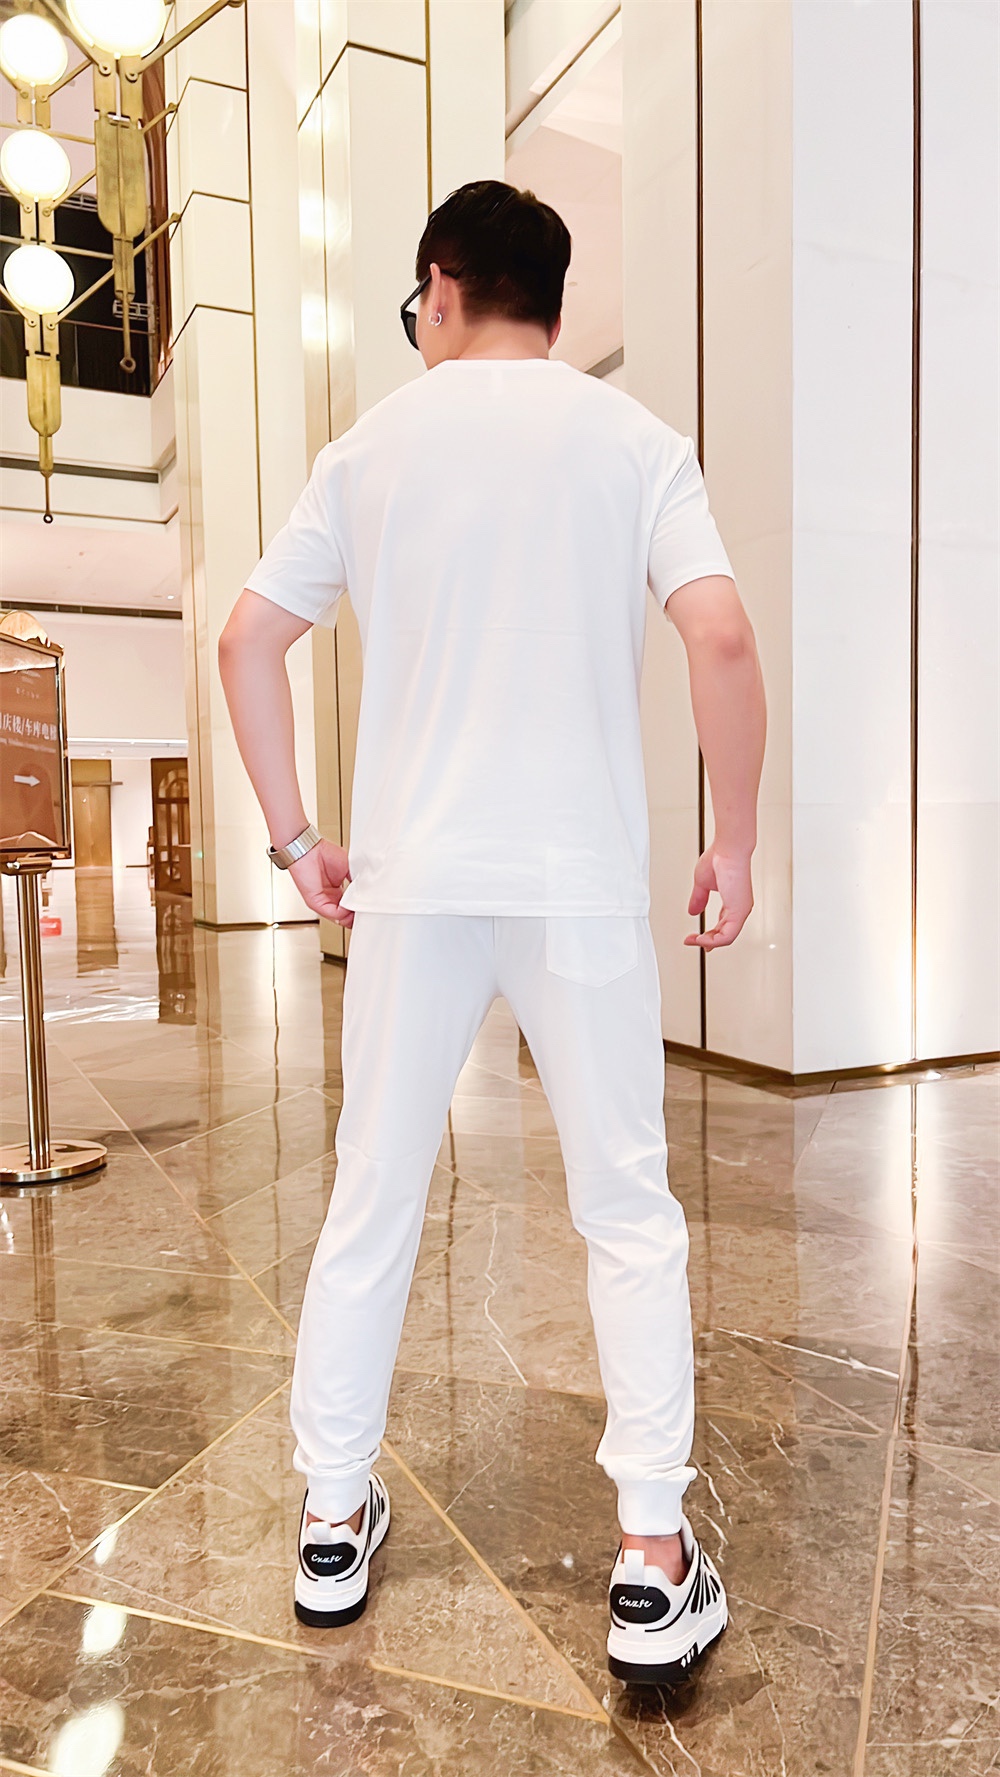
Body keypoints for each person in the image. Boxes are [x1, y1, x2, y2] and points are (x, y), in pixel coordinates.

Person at [219, 180, 766, 1685]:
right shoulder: (633, 440)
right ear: (556, 303)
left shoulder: (367, 452)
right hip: (579, 878)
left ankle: (333, 1521)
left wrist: (297, 838)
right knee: (627, 1209)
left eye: (418, 307)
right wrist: (732, 839)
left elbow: (250, 641)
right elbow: (721, 634)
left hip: (410, 883)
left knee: (374, 1195)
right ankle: (650, 1558)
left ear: (442, 287)